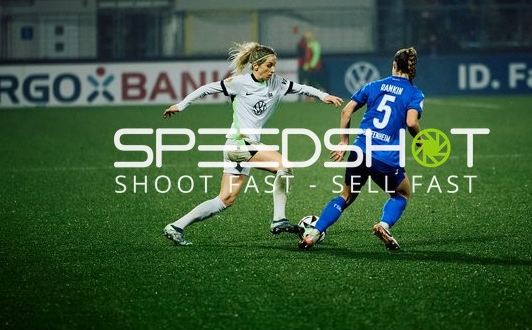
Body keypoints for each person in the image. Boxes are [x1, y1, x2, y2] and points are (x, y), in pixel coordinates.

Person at [161, 41, 343, 246]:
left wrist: (324, 95)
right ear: (255, 66)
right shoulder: (239, 83)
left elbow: (301, 88)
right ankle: (279, 220)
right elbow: (205, 89)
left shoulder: (277, 83)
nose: (272, 70)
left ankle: (176, 226)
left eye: (274, 65)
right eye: (269, 65)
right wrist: (180, 105)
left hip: (244, 148)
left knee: (225, 199)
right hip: (239, 144)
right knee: (284, 166)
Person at [298, 47, 423, 252]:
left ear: (394, 65)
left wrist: (344, 141)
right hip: (385, 157)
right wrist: (421, 141)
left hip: (360, 150)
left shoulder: (374, 85)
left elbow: (347, 111)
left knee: (345, 195)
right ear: (412, 69)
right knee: (402, 193)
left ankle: (314, 233)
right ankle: (383, 225)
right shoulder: (414, 93)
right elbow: (411, 122)